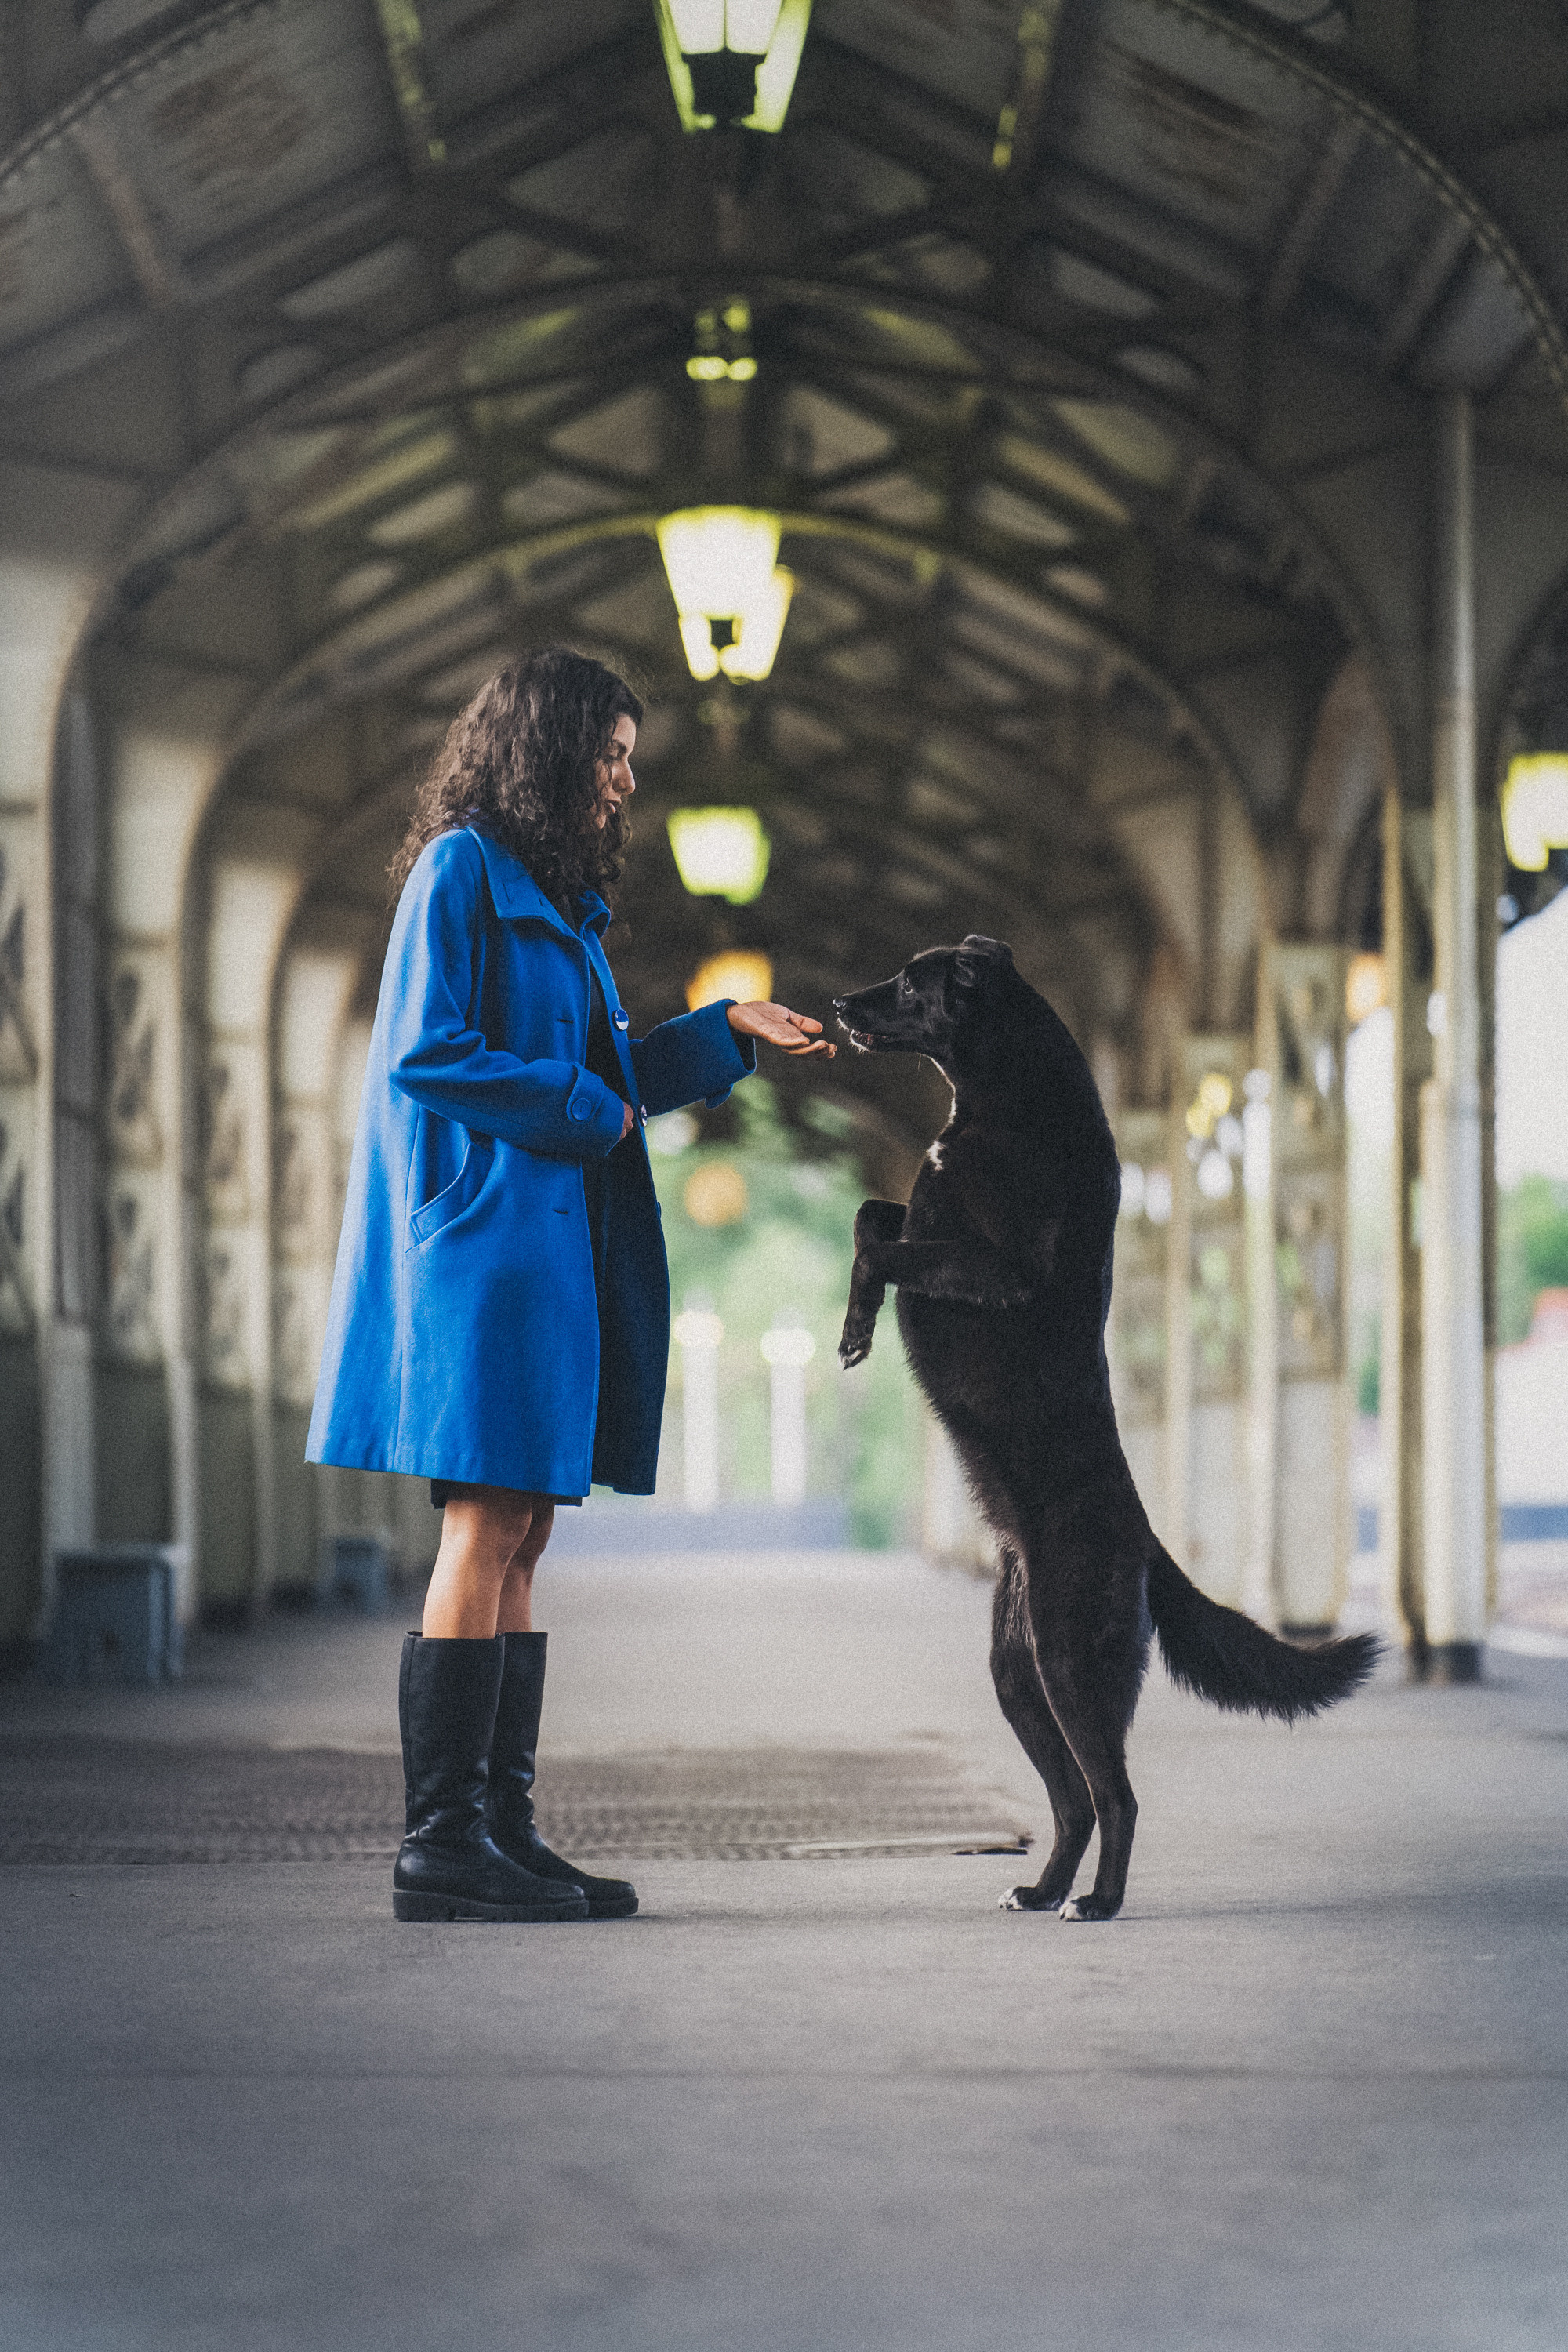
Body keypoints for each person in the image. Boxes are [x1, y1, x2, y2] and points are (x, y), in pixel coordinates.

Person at [307, 648, 833, 1923]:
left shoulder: (557, 903)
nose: (623, 781)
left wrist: (725, 1035)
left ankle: (501, 1829)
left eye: (628, 760)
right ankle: (439, 1846)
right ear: (544, 749)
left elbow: (610, 1073)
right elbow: (427, 1050)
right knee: (483, 1525)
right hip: (486, 1253)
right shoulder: (459, 873)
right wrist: (580, 1104)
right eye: (608, 754)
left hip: (548, 1255)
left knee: (527, 1528)